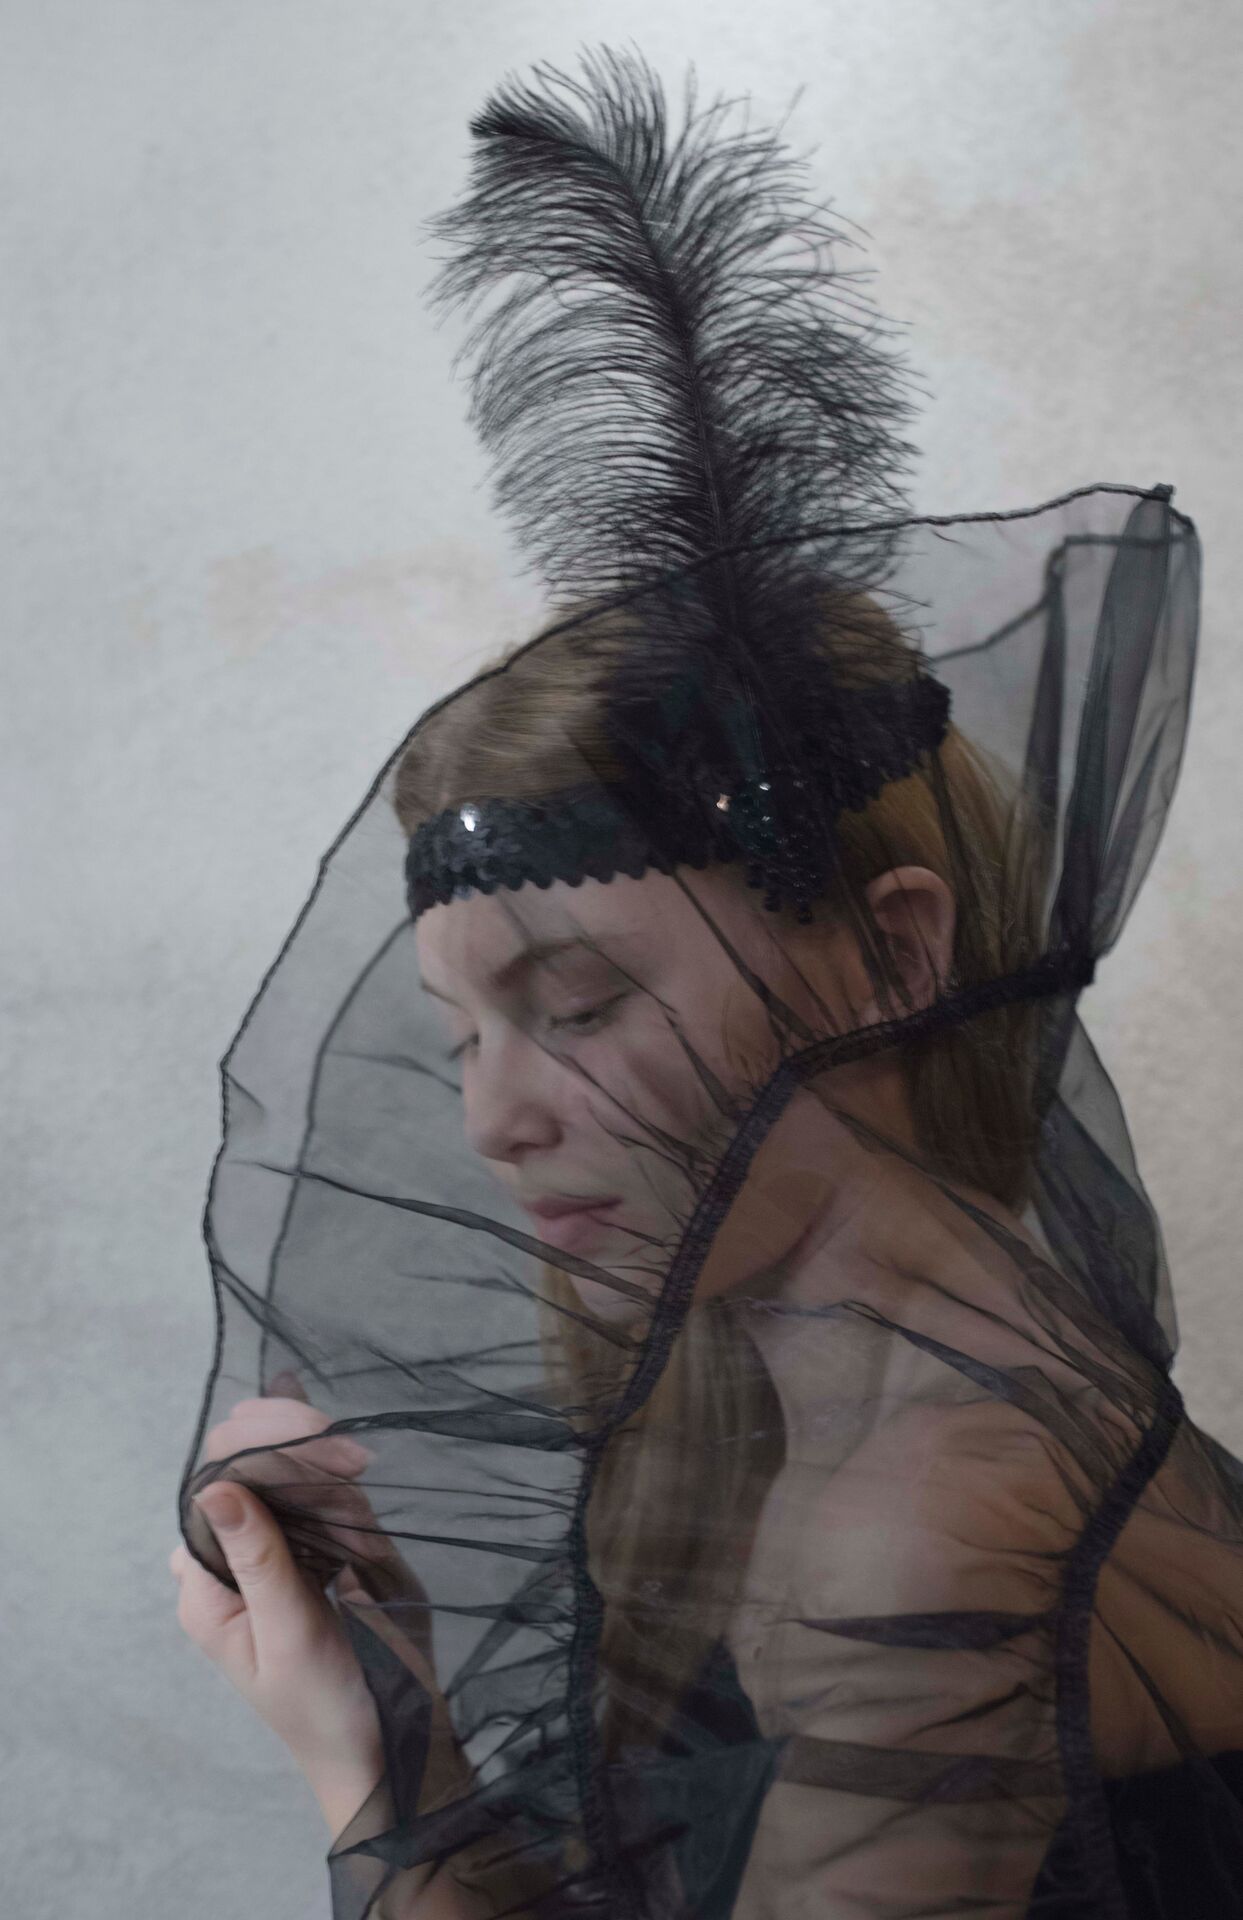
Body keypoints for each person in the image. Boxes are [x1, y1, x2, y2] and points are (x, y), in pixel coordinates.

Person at [171, 46, 1243, 1920]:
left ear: (895, 952)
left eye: (580, 1004)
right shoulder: (836, 1415)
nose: (495, 1121)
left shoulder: (922, 1511)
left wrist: (365, 1772)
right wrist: (393, 1680)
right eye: (461, 1036)